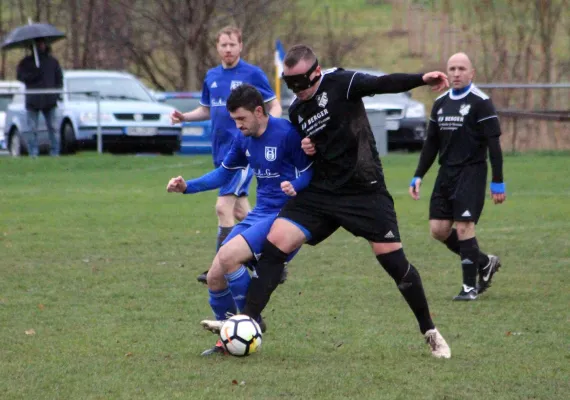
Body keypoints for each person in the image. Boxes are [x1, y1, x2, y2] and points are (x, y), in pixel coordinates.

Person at [201, 44, 452, 358]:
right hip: (321, 193)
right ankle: (249, 319)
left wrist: (422, 78)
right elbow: (306, 152)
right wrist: (309, 148)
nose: (296, 90)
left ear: (315, 73)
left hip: (364, 191)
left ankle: (429, 330)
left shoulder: (342, 83)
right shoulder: (297, 111)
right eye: (289, 84)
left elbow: (382, 83)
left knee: (394, 262)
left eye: (300, 83)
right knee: (276, 241)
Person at [166, 84, 312, 355]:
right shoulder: (243, 138)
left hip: (286, 216)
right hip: (259, 212)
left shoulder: (286, 134)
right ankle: (228, 340)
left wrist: (296, 186)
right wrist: (187, 187)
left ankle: (249, 318)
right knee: (214, 277)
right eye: (234, 120)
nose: (238, 125)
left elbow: (309, 172)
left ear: (259, 111)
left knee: (229, 256)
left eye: (242, 119)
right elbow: (223, 174)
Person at [170, 26, 284, 285]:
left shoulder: (252, 73)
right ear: (217, 48)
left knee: (223, 208)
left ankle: (218, 268)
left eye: (232, 44)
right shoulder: (211, 76)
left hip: (243, 152)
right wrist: (184, 117)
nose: (228, 49)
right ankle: (272, 261)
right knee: (244, 213)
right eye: (223, 45)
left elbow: (273, 105)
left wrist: (268, 128)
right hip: (221, 153)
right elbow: (207, 110)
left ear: (241, 45)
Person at [408, 52, 505, 301]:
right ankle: (484, 262)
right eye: (452, 68)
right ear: (447, 72)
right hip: (446, 173)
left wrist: (498, 181)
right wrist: (418, 175)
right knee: (438, 230)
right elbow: (431, 144)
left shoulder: (481, 102)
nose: (456, 73)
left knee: (464, 227)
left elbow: (494, 145)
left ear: (471, 73)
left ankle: (469, 288)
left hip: (471, 172)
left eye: (462, 68)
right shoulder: (440, 103)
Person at [16, 38, 63, 157]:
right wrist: (34, 74)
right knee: (32, 129)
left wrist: (56, 95)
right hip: (33, 100)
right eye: (38, 44)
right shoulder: (26, 63)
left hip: (49, 100)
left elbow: (59, 79)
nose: (40, 46)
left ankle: (55, 152)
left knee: (53, 127)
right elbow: (21, 76)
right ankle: (33, 153)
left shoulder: (52, 62)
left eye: (42, 44)